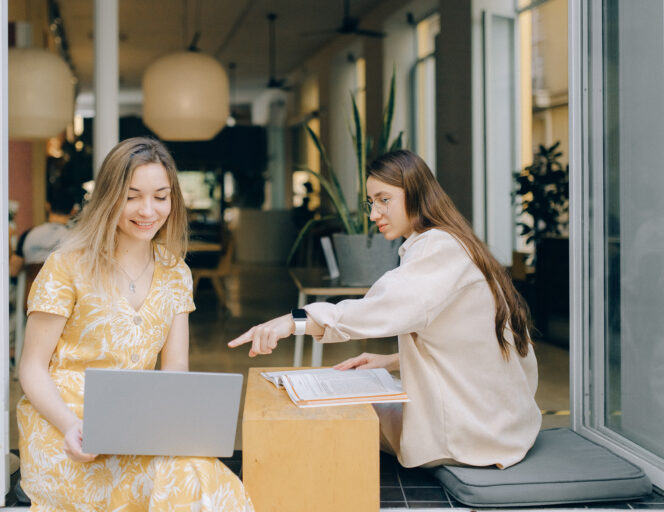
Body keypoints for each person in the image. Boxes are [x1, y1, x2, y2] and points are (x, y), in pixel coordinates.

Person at [229, 149, 541, 470]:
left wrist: (293, 321)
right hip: (505, 424)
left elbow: (379, 309)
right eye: (371, 203)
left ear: (417, 193)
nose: (374, 213)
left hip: (474, 435)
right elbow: (469, 341)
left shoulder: (439, 250)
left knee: (329, 414)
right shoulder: (453, 242)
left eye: (384, 200)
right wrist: (391, 360)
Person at [17, 137, 254, 511]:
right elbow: (31, 368)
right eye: (132, 196)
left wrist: (174, 432)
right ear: (109, 197)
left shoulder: (176, 271)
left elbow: (175, 368)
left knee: (201, 478)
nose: (148, 210)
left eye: (160, 196)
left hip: (136, 426)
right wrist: (69, 425)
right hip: (64, 430)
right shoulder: (66, 265)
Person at [19, 190, 77, 264]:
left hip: (33, 275)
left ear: (47, 206)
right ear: (73, 211)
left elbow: (14, 270)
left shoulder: (28, 235)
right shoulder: (76, 239)